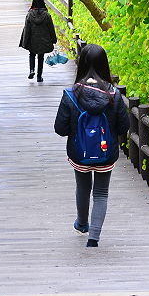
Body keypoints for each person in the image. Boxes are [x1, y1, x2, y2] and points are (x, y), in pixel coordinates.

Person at [53, 44, 129, 247]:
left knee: (83, 187)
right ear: (104, 64)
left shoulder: (71, 94)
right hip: (106, 152)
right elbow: (124, 127)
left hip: (79, 153)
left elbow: (60, 129)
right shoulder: (114, 94)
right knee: (101, 193)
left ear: (81, 63)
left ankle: (82, 223)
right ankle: (93, 238)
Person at [18, 0, 57, 82]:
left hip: (32, 40)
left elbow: (26, 29)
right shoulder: (47, 15)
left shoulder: (29, 15)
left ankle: (32, 70)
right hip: (43, 40)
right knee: (41, 57)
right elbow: (51, 28)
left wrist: (25, 41)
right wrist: (54, 39)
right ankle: (39, 77)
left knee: (32, 55)